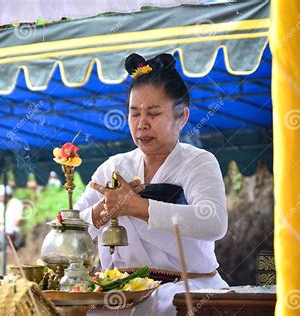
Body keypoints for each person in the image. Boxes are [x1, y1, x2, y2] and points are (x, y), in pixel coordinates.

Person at [74, 53, 228, 315]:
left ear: (182, 117)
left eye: (153, 114)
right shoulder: (114, 167)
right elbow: (70, 230)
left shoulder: (199, 162)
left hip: (185, 289)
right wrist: (103, 211)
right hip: (119, 291)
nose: (142, 124)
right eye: (134, 114)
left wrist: (137, 206)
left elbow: (214, 222)